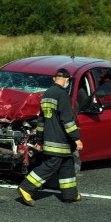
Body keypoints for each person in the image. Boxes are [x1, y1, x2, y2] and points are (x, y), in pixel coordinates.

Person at [18, 68, 83, 206]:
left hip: (50, 139)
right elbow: (67, 120)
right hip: (60, 140)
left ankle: (70, 195)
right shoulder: (63, 95)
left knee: (67, 165)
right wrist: (76, 138)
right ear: (67, 80)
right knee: (50, 165)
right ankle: (26, 187)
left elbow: (41, 121)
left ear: (54, 79)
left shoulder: (47, 94)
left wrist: (39, 140)